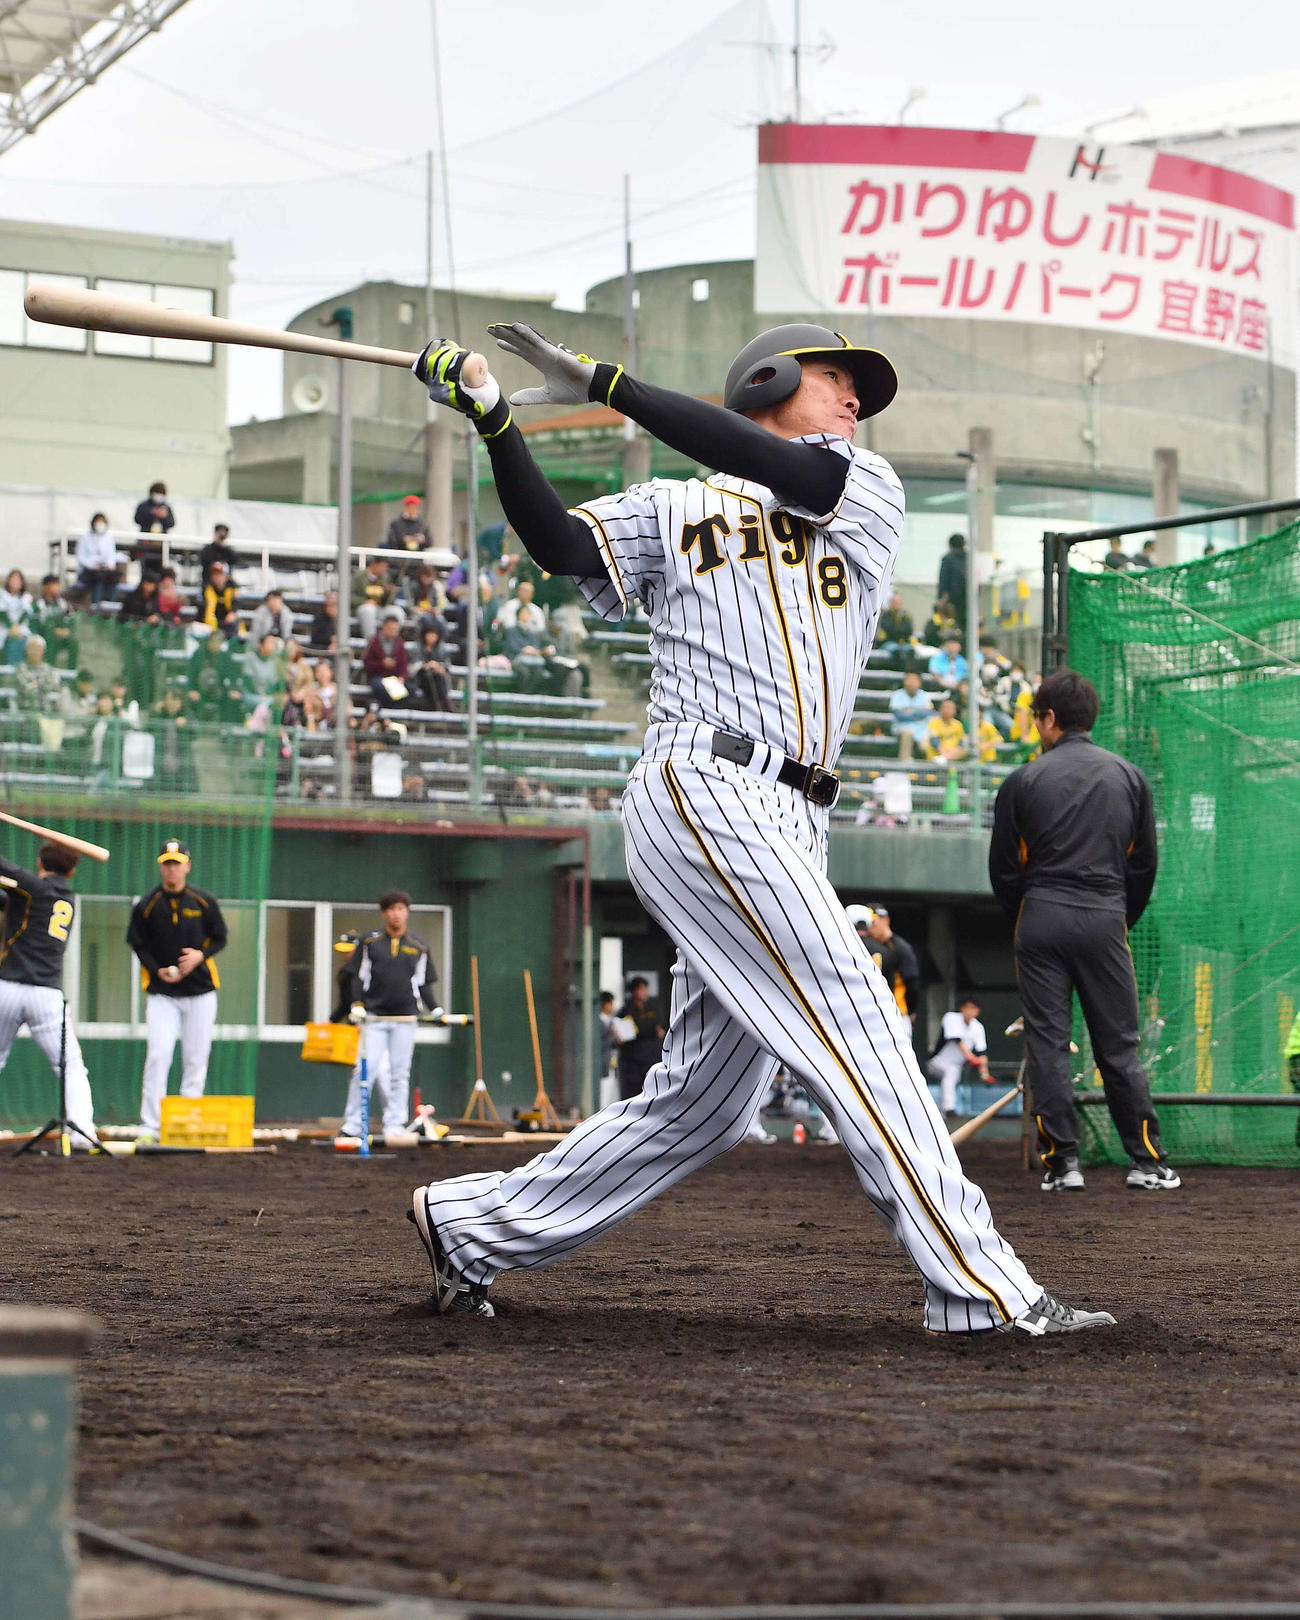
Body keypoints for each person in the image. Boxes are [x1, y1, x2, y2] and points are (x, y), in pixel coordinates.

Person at [404, 320, 1113, 1336]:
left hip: (795, 811)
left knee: (707, 1102)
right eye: (836, 379)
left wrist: (613, 385)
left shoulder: (862, 489)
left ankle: (473, 1228)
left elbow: (771, 464)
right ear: (772, 377)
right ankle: (980, 1290)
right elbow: (558, 544)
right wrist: (496, 419)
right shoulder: (674, 505)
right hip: (705, 781)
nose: (855, 398)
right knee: (854, 1013)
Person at [988, 668, 1178, 1193]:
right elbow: (1144, 867)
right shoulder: (1130, 776)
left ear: (1048, 719)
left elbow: (1003, 870)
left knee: (1048, 1045)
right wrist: (1119, 917)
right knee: (1118, 1047)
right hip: (1104, 916)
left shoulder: (1022, 780)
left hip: (1041, 916)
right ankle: (1147, 1162)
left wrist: (1028, 916)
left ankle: (1063, 1165)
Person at [126, 839, 228, 1140]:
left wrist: (200, 955)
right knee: (159, 1055)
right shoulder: (146, 905)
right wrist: (154, 967)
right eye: (167, 863)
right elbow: (137, 942)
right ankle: (151, 1126)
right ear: (161, 866)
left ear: (187, 865)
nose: (172, 869)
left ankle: (187, 1122)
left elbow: (220, 937)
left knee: (196, 1057)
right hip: (162, 994)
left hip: (201, 991)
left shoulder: (203, 901)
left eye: (176, 863)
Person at [0, 840, 98, 1148]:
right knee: (70, 1066)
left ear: (41, 863)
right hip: (47, 994)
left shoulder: (32, 887)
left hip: (8, 987)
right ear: (72, 871)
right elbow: (12, 900)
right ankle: (82, 1133)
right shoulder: (68, 898)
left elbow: (8, 872)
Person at [340, 891, 443, 1140]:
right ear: (384, 913)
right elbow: (358, 976)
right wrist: (357, 1004)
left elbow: (422, 984)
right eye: (391, 909)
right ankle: (352, 1125)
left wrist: (436, 1010)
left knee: (399, 1073)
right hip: (374, 1018)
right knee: (364, 1070)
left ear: (407, 912)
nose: (396, 914)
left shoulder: (419, 946)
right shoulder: (369, 942)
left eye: (400, 908)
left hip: (405, 1019)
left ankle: (394, 1125)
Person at [928, 997, 989, 1119]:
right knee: (952, 1072)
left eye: (973, 1008)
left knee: (952, 1076)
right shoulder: (950, 1017)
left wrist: (984, 1073)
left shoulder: (978, 1027)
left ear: (978, 1011)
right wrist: (972, 1058)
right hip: (936, 1062)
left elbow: (982, 1052)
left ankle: (943, 1114)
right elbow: (957, 1040)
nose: (970, 1011)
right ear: (962, 1008)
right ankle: (949, 1110)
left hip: (956, 1066)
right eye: (967, 1007)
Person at [862, 905, 922, 1024]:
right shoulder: (870, 946)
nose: (870, 928)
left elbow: (912, 983)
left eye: (873, 922)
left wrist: (910, 1011)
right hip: (876, 1012)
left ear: (886, 920)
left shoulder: (899, 947)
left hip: (897, 1012)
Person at [614, 976, 664, 1101]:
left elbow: (659, 1028)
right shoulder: (625, 1011)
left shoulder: (652, 1008)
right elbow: (625, 1035)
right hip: (632, 1061)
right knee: (633, 1095)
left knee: (652, 1092)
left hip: (650, 1057)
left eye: (645, 989)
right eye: (641, 989)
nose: (645, 992)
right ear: (634, 992)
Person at [363, 613, 409, 706]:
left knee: (410, 689)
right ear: (384, 627)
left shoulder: (399, 642)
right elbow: (367, 663)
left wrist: (401, 677)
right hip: (378, 676)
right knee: (379, 687)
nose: (392, 631)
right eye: (390, 628)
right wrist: (382, 663)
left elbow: (403, 663)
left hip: (394, 678)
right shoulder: (374, 641)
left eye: (394, 629)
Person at [132, 481, 175, 575]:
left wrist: (164, 517)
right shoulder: (143, 506)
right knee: (145, 568)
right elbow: (137, 519)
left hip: (160, 545)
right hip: (146, 543)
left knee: (160, 569)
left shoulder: (166, 507)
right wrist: (151, 514)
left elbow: (171, 523)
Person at [888, 671, 933, 760]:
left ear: (919, 683)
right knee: (907, 733)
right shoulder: (897, 695)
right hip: (902, 727)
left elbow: (927, 713)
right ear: (904, 682)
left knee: (926, 745)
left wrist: (909, 712)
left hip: (921, 729)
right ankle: (904, 764)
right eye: (909, 680)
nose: (911, 683)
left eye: (914, 680)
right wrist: (917, 713)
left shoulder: (924, 695)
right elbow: (899, 715)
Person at [352, 554, 398, 642]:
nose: (384, 569)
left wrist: (388, 592)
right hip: (362, 608)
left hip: (379, 608)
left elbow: (388, 602)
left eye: (385, 567)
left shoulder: (385, 577)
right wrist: (364, 601)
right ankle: (372, 644)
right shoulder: (359, 575)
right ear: (374, 564)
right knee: (369, 610)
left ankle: (391, 644)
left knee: (397, 612)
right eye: (382, 566)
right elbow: (349, 596)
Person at [77, 513, 119, 604]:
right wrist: (93, 565)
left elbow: (112, 555)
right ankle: (95, 605)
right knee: (98, 578)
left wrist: (109, 565)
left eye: (102, 522)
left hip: (104, 569)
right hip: (89, 570)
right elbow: (81, 557)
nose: (100, 524)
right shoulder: (85, 537)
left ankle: (110, 605)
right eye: (98, 522)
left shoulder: (108, 537)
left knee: (113, 578)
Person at [385, 495, 433, 561]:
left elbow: (429, 542)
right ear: (405, 507)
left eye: (415, 507)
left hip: (417, 561)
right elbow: (391, 541)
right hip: (399, 560)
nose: (412, 510)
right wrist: (403, 540)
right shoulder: (396, 523)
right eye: (409, 507)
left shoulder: (423, 524)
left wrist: (422, 540)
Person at [875, 591, 914, 667]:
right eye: (895, 601)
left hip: (903, 643)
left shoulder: (905, 616)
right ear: (891, 603)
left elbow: (909, 630)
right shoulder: (885, 616)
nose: (897, 604)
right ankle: (896, 669)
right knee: (896, 650)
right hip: (888, 642)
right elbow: (890, 630)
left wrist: (898, 631)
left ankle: (909, 671)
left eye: (899, 602)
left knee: (910, 650)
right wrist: (900, 631)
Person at [201, 560, 238, 638]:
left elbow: (235, 607)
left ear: (226, 576)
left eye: (219, 574)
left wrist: (232, 614)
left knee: (233, 623)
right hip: (209, 627)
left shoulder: (232, 590)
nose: (216, 577)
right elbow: (203, 613)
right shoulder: (206, 590)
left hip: (226, 626)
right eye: (214, 574)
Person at [938, 535, 967, 627]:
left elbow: (943, 579)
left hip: (952, 600)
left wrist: (941, 598)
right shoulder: (970, 558)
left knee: (952, 624)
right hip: (968, 599)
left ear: (950, 545)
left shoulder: (947, 559)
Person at [925, 697, 966, 761]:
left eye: (950, 708)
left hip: (952, 754)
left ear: (955, 711)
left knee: (966, 752)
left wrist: (952, 752)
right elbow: (934, 742)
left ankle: (944, 758)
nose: (947, 710)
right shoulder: (933, 723)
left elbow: (961, 743)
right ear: (940, 709)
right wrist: (944, 753)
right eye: (945, 707)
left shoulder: (958, 724)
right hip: (937, 754)